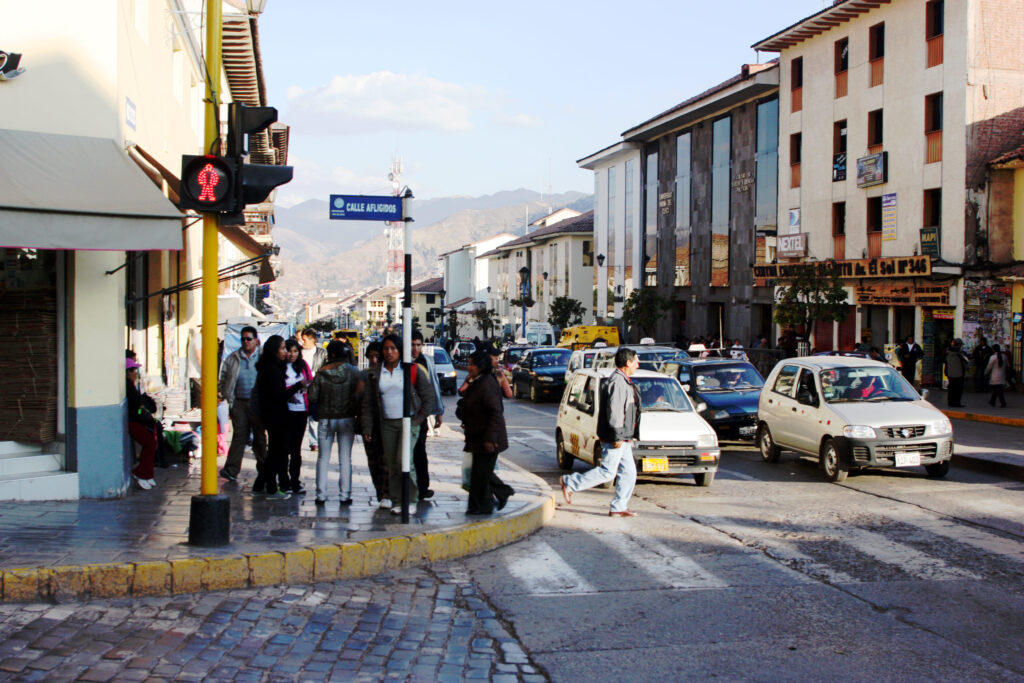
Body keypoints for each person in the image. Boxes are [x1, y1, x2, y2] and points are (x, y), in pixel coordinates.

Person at [361, 334, 438, 515]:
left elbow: (429, 397)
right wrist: (367, 427)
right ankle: (396, 499)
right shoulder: (376, 373)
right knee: (391, 463)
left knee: (403, 460)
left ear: (399, 351)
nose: (389, 352)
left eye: (393, 348)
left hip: (408, 422)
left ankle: (411, 499)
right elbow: (369, 403)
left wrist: (418, 419)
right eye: (386, 349)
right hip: (386, 423)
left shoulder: (412, 370)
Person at [559, 347, 641, 517]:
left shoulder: (623, 380)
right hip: (616, 436)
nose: (637, 365)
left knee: (629, 472)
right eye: (636, 361)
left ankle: (619, 506)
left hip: (623, 437)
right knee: (608, 472)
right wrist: (617, 436)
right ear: (628, 363)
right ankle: (570, 483)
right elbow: (616, 412)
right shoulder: (618, 382)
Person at [456, 350, 513, 515]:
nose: (469, 367)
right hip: (477, 436)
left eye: (472, 364)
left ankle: (485, 504)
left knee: (481, 475)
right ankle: (480, 505)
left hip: (487, 439)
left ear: (481, 366)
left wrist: (490, 438)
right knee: (479, 474)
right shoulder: (477, 381)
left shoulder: (487, 384)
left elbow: (496, 413)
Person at [309, 340, 363, 506]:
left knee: (323, 458)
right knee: (345, 458)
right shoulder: (354, 371)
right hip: (346, 418)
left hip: (326, 419)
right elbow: (359, 394)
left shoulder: (321, 373)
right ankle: (345, 495)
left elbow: (312, 397)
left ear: (330, 354)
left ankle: (321, 495)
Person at [218, 326, 268, 486]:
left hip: (258, 403)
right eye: (243, 339)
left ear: (256, 340)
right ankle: (231, 470)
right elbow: (224, 377)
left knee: (260, 437)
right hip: (239, 402)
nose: (246, 342)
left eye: (249, 339)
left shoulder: (263, 357)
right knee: (240, 435)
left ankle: (264, 469)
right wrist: (226, 396)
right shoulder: (233, 358)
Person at [255, 335, 300, 498]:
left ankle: (260, 484)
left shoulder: (270, 367)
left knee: (276, 451)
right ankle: (271, 487)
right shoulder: (272, 370)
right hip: (276, 416)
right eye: (282, 348)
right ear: (274, 351)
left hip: (273, 414)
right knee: (277, 452)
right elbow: (279, 394)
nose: (285, 352)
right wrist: (297, 386)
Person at [411, 330, 444, 499]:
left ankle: (422, 487)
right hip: (405, 414)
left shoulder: (427, 361)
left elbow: (434, 386)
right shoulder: (403, 362)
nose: (415, 348)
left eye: (418, 345)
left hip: (421, 415)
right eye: (412, 345)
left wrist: (439, 412)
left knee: (420, 451)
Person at [360, 341, 390, 506]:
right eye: (370, 356)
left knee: (386, 462)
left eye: (376, 356)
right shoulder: (366, 375)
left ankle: (387, 494)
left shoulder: (388, 374)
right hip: (372, 426)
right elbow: (366, 404)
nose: (373, 360)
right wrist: (366, 427)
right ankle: (380, 493)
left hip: (388, 425)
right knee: (374, 462)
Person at [283, 338, 313, 494]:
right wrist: (292, 391)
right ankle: (284, 480)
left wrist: (306, 387)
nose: (292, 354)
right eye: (289, 351)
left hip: (301, 410)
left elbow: (309, 381)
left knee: (296, 449)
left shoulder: (303, 366)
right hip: (286, 412)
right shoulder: (281, 367)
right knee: (285, 447)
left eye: (295, 351)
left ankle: (295, 480)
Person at [126, 357, 158, 490]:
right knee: (150, 443)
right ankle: (141, 473)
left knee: (152, 443)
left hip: (135, 420)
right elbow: (136, 402)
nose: (136, 373)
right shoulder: (128, 386)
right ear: (128, 372)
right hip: (133, 421)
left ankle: (147, 473)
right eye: (134, 370)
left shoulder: (132, 385)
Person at [299, 329, 327, 451]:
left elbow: (326, 369)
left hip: (316, 387)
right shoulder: (299, 352)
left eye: (304, 339)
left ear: (312, 339)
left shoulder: (322, 353)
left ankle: (314, 442)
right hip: (301, 388)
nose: (302, 342)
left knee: (314, 416)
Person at [944, 338, 969, 408]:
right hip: (959, 375)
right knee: (958, 390)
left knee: (951, 389)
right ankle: (957, 403)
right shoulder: (959, 354)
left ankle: (950, 402)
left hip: (950, 374)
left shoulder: (948, 352)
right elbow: (966, 361)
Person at [985, 343, 1010, 408]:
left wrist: (986, 373)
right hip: (1002, 376)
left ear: (993, 350)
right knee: (997, 389)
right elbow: (1008, 366)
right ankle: (992, 401)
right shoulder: (1004, 357)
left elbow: (989, 367)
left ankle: (1003, 402)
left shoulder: (993, 357)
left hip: (994, 376)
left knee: (998, 390)